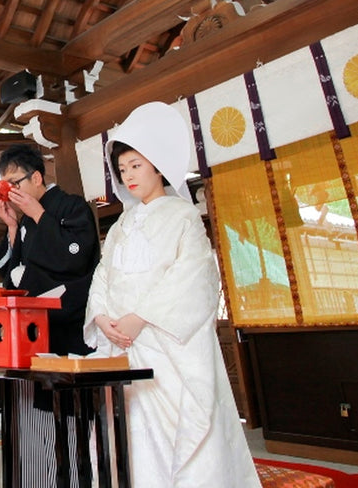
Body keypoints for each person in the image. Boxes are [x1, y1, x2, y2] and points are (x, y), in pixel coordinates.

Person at [84, 101, 260, 487]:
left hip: (166, 341)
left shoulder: (182, 215)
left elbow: (194, 277)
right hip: (122, 344)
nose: (128, 175)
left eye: (136, 165)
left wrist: (140, 317)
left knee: (178, 432)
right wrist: (101, 317)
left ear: (157, 165)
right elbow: (103, 275)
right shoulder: (120, 225)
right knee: (127, 430)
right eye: (122, 169)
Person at [0, 142, 99, 488]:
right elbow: (11, 276)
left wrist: (39, 215)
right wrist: (12, 228)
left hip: (69, 325)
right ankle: (43, 479)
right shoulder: (23, 224)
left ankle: (81, 477)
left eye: (15, 183)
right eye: (4, 186)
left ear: (37, 177)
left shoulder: (71, 206)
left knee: (73, 410)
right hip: (36, 331)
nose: (10, 192)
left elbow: (76, 258)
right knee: (37, 408)